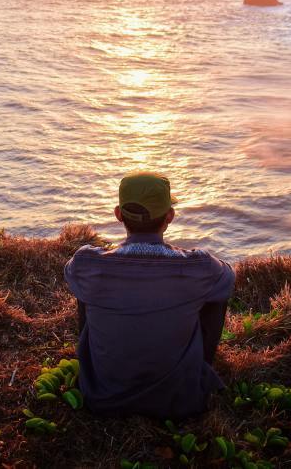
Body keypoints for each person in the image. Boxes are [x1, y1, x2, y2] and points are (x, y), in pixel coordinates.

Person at [63, 171, 235, 419]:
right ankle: (201, 369)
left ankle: (96, 368)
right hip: (181, 402)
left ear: (118, 215)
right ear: (170, 217)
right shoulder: (199, 267)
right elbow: (228, 278)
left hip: (102, 399)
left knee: (87, 289)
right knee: (215, 295)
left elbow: (71, 274)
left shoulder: (88, 263)